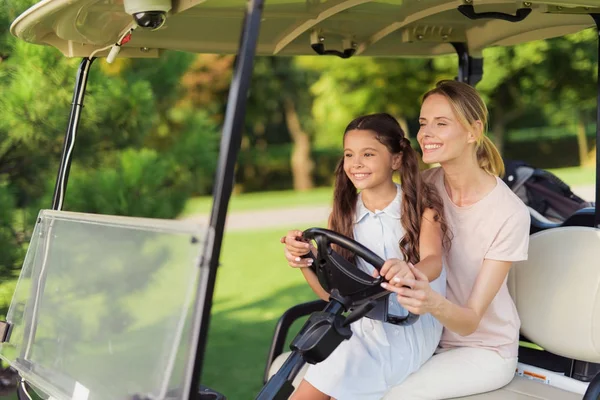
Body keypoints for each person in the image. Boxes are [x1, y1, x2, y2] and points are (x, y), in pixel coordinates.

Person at [281, 113, 450, 400]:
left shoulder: (421, 208)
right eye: (349, 154)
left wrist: (409, 270)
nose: (356, 163)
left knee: (340, 364)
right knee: (333, 358)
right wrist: (306, 260)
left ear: (395, 160)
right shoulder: (344, 216)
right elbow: (329, 295)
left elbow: (433, 262)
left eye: (368, 154)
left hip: (406, 325)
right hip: (361, 323)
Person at [382, 80, 531, 399]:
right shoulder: (423, 187)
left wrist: (431, 301)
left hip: (484, 349)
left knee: (394, 394)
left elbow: (470, 320)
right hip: (423, 336)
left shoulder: (509, 213)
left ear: (473, 131)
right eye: (423, 123)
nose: (425, 133)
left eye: (441, 123)